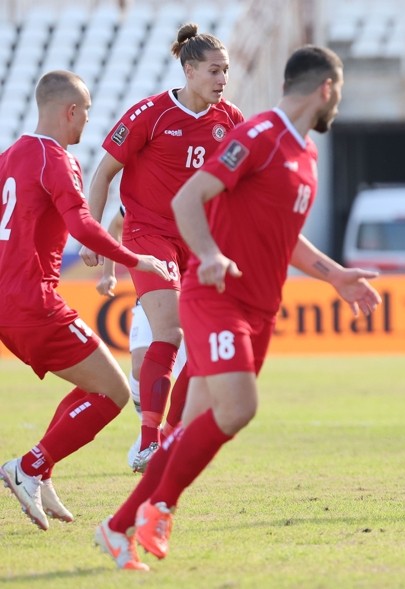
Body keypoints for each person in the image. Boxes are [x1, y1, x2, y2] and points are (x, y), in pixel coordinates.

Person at [94, 45, 382, 571]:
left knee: (193, 426)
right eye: (339, 91)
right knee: (240, 408)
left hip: (260, 308)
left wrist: (335, 275)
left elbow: (286, 237)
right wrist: (207, 255)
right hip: (216, 299)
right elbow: (188, 200)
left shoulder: (305, 154)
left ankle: (117, 528)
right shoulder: (259, 135)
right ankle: (160, 506)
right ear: (326, 89)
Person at [0, 70, 170, 533]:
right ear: (70, 111)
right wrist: (137, 258)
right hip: (32, 301)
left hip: (8, 300)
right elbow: (80, 224)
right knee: (113, 392)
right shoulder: (56, 160)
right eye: (88, 112)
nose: (88, 122)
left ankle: (41, 470)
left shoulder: (10, 155)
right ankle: (29, 467)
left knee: (93, 384)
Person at [81, 23, 244, 473]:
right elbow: (102, 175)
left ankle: (169, 436)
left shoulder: (230, 120)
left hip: (197, 239)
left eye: (226, 71)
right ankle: (149, 440)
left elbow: (243, 183)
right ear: (189, 70)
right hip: (148, 234)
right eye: (214, 71)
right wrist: (92, 232)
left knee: (207, 342)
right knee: (169, 332)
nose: (222, 80)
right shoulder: (149, 115)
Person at [95, 209, 188, 470]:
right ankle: (148, 429)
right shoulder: (150, 198)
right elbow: (115, 225)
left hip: (190, 292)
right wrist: (108, 272)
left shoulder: (203, 191)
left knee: (186, 375)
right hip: (156, 291)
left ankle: (165, 438)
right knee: (139, 363)